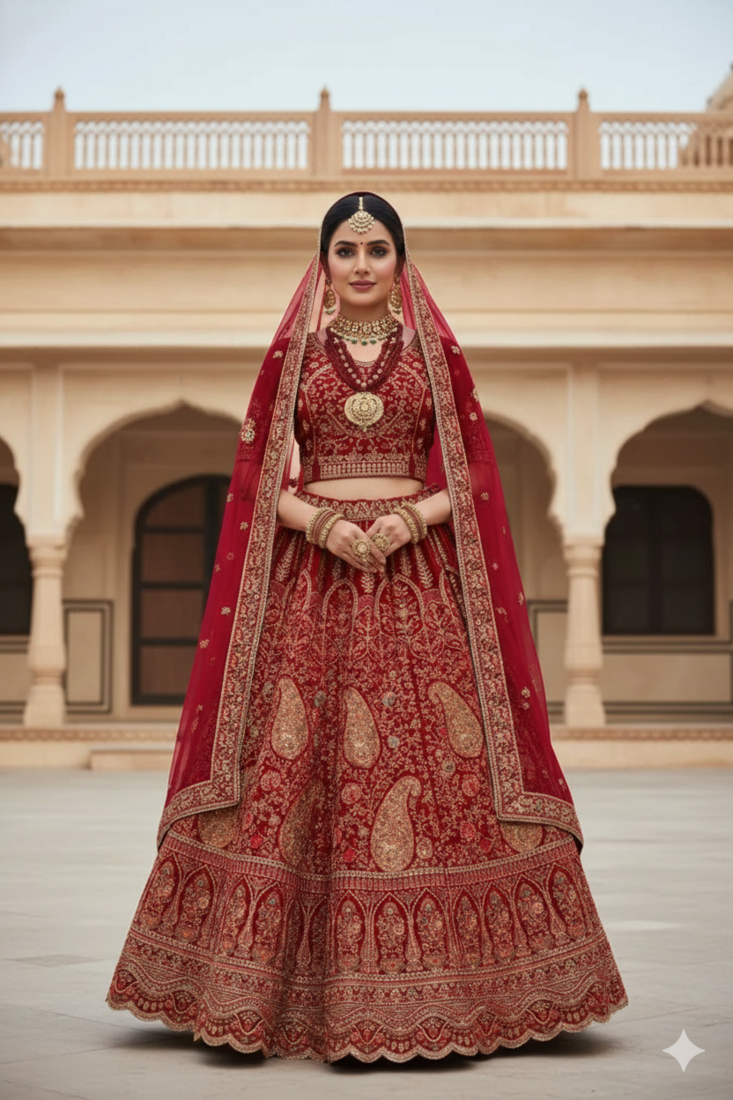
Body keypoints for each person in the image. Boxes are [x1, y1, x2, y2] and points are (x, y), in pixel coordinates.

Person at [107, 192, 627, 1062]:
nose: (359, 265)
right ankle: (250, 986)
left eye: (375, 249)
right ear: (322, 262)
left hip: (413, 577)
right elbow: (253, 479)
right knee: (287, 759)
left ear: (398, 261)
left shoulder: (432, 360)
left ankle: (465, 988)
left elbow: (471, 475)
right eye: (344, 249)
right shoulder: (295, 357)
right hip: (308, 578)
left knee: (438, 764)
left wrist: (408, 520)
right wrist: (322, 524)